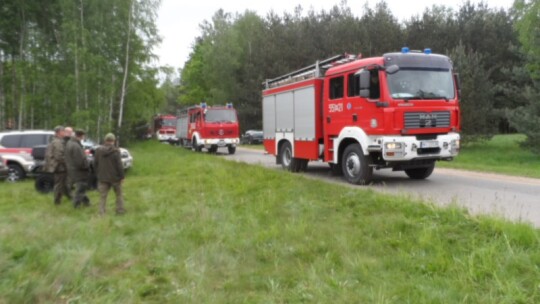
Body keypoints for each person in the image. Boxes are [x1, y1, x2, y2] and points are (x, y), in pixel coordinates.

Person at [94, 133, 126, 215]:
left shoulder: (98, 151)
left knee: (102, 196)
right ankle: (120, 210)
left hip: (102, 177)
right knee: (119, 195)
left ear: (105, 140)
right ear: (113, 141)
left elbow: (95, 164)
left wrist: (98, 174)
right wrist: (122, 176)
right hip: (115, 178)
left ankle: (101, 213)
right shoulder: (116, 151)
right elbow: (119, 165)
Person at [44, 125, 71, 205]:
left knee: (65, 183)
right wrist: (68, 163)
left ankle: (70, 197)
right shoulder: (58, 142)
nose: (64, 133)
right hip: (60, 167)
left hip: (60, 166)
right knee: (59, 184)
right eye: (63, 131)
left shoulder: (57, 141)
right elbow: (59, 156)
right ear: (59, 132)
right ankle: (57, 201)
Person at [65, 129, 90, 208]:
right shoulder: (76, 146)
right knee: (81, 188)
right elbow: (80, 161)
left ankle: (86, 202)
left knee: (81, 187)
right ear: (81, 136)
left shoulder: (69, 143)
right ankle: (76, 205)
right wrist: (87, 166)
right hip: (78, 171)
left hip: (72, 169)